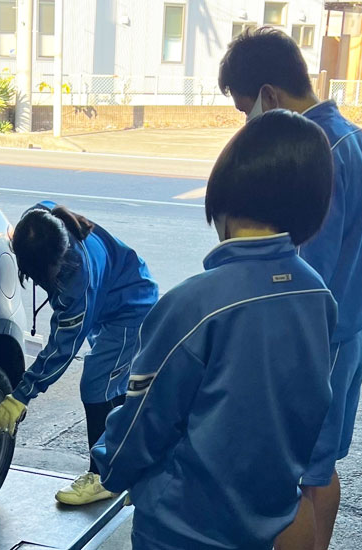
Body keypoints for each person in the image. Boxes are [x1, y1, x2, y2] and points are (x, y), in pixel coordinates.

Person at [92, 110, 337, 550]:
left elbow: (144, 420)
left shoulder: (195, 304)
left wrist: (108, 468)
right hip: (266, 520)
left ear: (223, 197)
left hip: (182, 526)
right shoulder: (317, 295)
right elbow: (313, 407)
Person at [218, 28, 362, 549]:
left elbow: (302, 275)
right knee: (319, 468)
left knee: (294, 478)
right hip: (349, 335)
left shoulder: (314, 154)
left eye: (246, 110)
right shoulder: (357, 138)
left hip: (318, 341)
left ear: (270, 95)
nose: (248, 123)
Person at [0, 201, 158, 505]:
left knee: (95, 385)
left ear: (58, 260)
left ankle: (104, 478)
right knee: (113, 388)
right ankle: (128, 465)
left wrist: (21, 395)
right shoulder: (41, 222)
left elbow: (61, 349)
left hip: (130, 310)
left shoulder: (78, 275)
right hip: (112, 298)